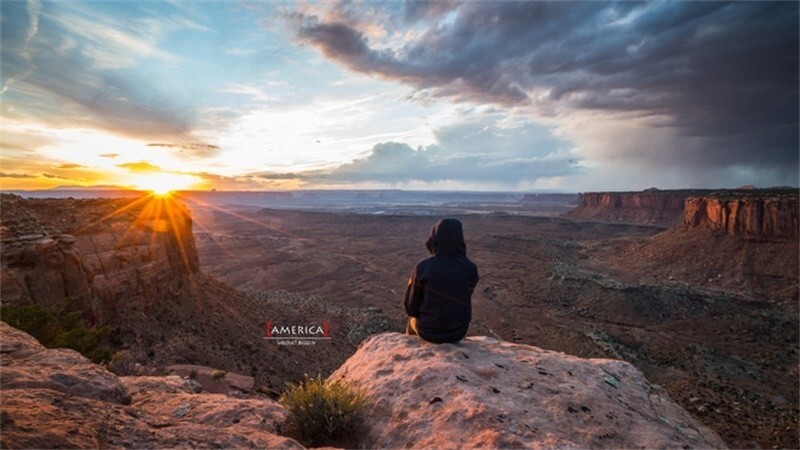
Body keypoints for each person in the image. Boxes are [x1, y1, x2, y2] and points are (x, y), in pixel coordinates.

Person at [404, 218, 479, 344]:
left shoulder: (424, 266)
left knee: (410, 323)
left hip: (428, 332)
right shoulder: (470, 268)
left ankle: (410, 352)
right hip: (458, 332)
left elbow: (411, 308)